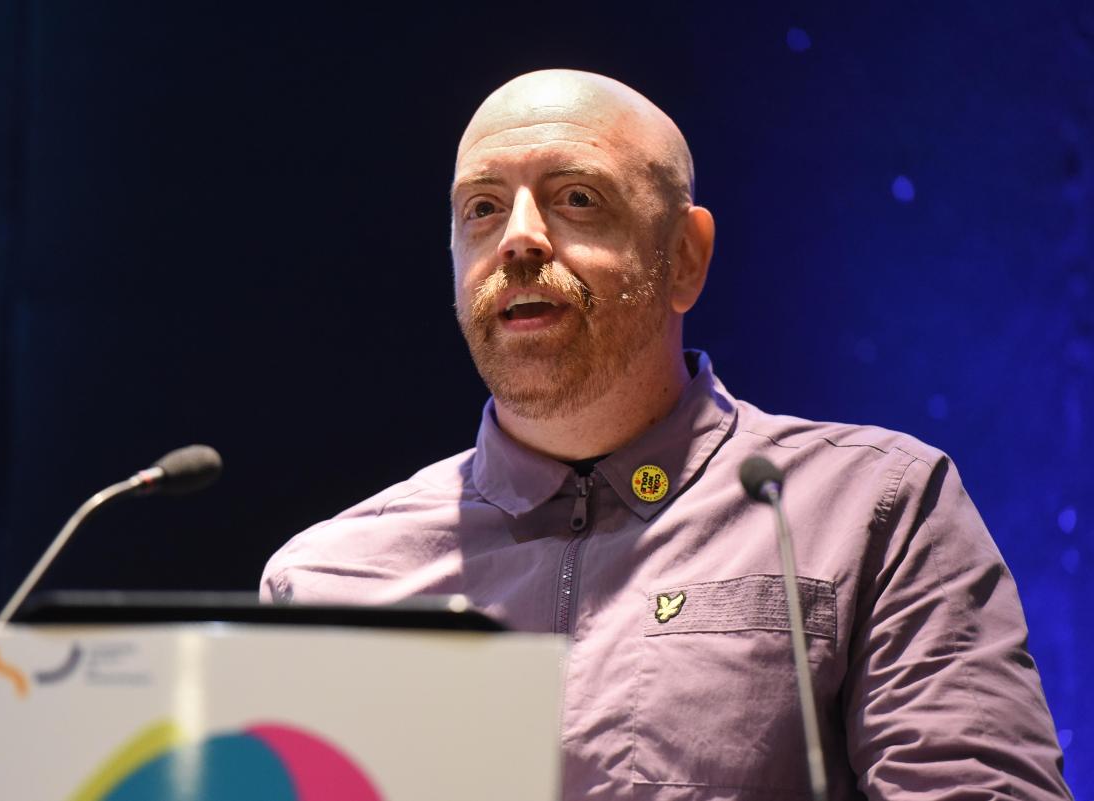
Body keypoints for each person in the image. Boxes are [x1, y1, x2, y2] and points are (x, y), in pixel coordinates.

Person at [261, 70, 1072, 799]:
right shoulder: (327, 579)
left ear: (685, 258)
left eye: (577, 197)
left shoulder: (871, 510)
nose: (518, 238)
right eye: (481, 208)